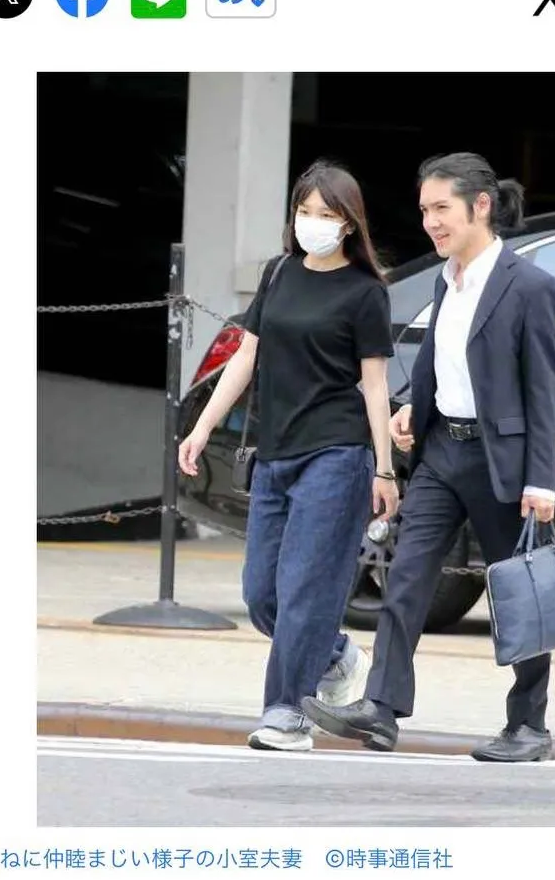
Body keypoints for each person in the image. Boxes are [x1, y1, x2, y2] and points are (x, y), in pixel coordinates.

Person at [302, 152, 555, 763]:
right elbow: (439, 361)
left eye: (441, 208)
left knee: (520, 593)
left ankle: (528, 725)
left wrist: (542, 480)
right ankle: (381, 709)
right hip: (443, 450)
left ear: (481, 206)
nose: (431, 223)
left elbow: (543, 388)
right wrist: (414, 411)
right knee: (408, 577)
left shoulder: (531, 287)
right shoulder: (447, 279)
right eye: (424, 210)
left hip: (503, 463)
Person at [178, 159, 400, 752]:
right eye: (305, 211)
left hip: (338, 454)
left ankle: (287, 714)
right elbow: (245, 358)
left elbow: (374, 385)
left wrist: (384, 468)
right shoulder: (279, 274)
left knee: (305, 590)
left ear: (349, 223)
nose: (312, 222)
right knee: (262, 595)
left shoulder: (365, 292)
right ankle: (336, 657)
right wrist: (202, 427)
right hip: (275, 454)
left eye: (326, 214)